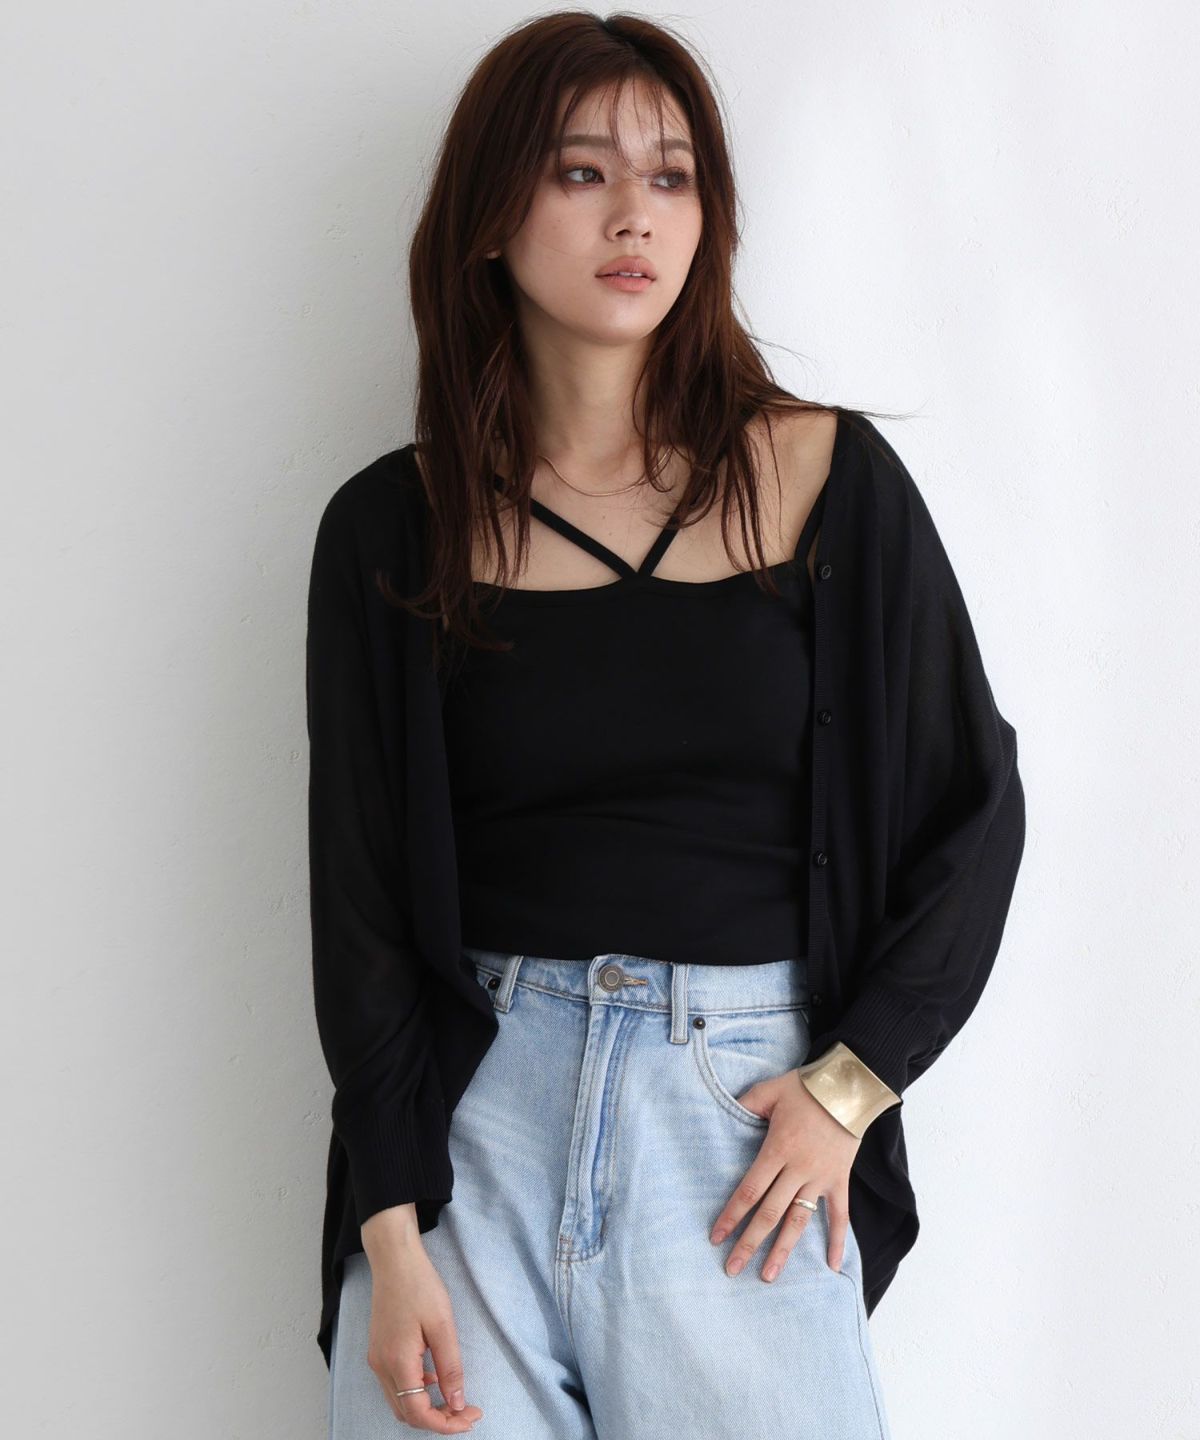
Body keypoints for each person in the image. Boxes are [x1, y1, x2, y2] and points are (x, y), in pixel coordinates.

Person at [305, 13, 1026, 1439]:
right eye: (581, 172)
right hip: (471, 1134)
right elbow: (363, 900)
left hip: (740, 1121)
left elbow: (974, 810)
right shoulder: (394, 527)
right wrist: (389, 1231)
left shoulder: (826, 480)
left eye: (673, 174)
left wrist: (850, 1086)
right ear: (489, 217)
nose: (635, 213)